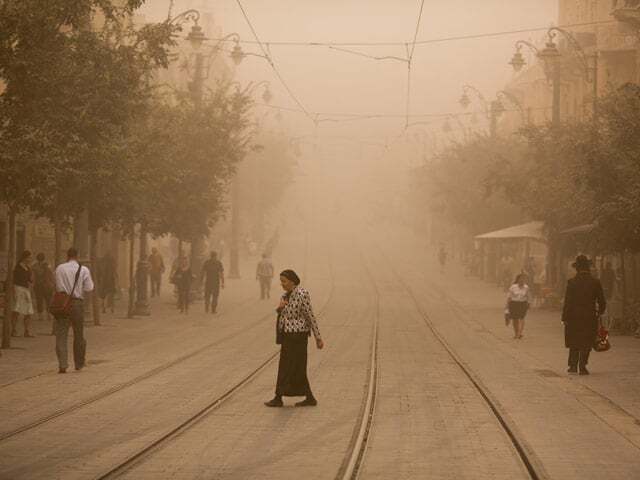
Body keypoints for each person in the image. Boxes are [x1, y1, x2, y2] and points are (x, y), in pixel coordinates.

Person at [265, 269, 324, 408]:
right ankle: (308, 397)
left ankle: (279, 397)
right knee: (293, 367)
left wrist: (318, 338)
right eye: (281, 281)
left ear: (292, 281)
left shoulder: (302, 294)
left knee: (293, 367)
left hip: (298, 336)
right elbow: (283, 314)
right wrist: (279, 308)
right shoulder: (285, 296)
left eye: (284, 281)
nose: (282, 284)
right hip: (287, 336)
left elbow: (310, 315)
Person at [562, 255, 606, 375]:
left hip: (573, 316)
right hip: (589, 316)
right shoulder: (595, 282)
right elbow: (602, 301)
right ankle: (582, 366)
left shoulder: (571, 282)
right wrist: (600, 312)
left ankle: (572, 365)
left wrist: (564, 317)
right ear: (588, 267)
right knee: (587, 340)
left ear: (577, 268)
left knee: (574, 339)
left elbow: (568, 302)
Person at [54, 248, 94, 373]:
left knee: (61, 334)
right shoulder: (83, 269)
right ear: (77, 256)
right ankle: (79, 363)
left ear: (67, 255)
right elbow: (89, 288)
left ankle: (63, 364)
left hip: (63, 303)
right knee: (78, 334)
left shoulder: (60, 268)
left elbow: (58, 286)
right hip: (77, 303)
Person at [12, 250, 35, 337]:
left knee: (28, 311)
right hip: (18, 288)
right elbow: (15, 279)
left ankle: (27, 330)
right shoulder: (18, 267)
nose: (30, 259)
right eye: (29, 257)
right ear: (25, 258)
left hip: (26, 289)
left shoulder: (28, 268)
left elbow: (30, 280)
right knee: (16, 310)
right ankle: (13, 330)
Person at [32, 252, 55, 331]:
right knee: (47, 300)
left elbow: (34, 276)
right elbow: (51, 275)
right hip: (46, 285)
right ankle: (48, 314)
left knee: (40, 300)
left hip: (40, 286)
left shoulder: (35, 266)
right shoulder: (48, 265)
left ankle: (41, 315)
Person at [505, 273, 530, 340]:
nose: (522, 280)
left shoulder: (526, 287)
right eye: (521, 279)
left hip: (523, 304)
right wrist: (507, 306)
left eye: (524, 279)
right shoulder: (513, 287)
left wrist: (528, 303)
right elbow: (509, 297)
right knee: (515, 319)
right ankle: (516, 333)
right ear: (518, 279)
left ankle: (520, 333)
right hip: (514, 304)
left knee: (522, 318)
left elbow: (528, 297)